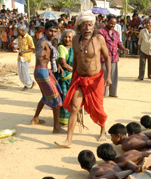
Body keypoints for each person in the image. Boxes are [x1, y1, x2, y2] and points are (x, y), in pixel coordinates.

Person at [54, 11, 112, 148]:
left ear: (93, 26)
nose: (87, 28)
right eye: (84, 25)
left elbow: (107, 58)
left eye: (90, 25)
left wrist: (108, 76)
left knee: (98, 108)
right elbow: (75, 61)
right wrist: (73, 78)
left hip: (95, 80)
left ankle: (103, 130)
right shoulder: (75, 40)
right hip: (79, 79)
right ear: (79, 27)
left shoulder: (99, 39)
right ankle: (68, 140)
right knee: (74, 107)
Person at [31, 21, 64, 134]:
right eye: (50, 31)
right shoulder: (43, 41)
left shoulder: (49, 42)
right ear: (45, 30)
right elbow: (38, 52)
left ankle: (36, 118)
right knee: (56, 99)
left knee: (46, 96)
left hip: (44, 71)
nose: (53, 33)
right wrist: (41, 55)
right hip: (42, 71)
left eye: (55, 31)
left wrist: (57, 64)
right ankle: (56, 128)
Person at [99, 14, 129, 97]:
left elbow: (119, 43)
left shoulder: (116, 33)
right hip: (104, 58)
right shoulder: (101, 32)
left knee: (113, 76)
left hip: (114, 57)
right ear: (107, 22)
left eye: (114, 24)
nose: (112, 25)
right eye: (111, 23)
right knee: (104, 75)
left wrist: (124, 49)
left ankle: (113, 93)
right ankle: (103, 93)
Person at [55, 29, 75, 126]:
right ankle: (63, 119)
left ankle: (73, 117)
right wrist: (75, 70)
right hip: (64, 77)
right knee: (64, 98)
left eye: (69, 37)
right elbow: (63, 63)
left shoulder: (74, 48)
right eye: (65, 37)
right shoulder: (61, 48)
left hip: (73, 76)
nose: (67, 39)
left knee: (74, 98)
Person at [16, 24, 35, 91]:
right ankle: (30, 82)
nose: (18, 32)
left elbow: (32, 48)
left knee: (25, 71)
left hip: (26, 57)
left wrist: (24, 52)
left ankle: (27, 84)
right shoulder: (19, 38)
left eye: (19, 31)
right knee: (20, 71)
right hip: (20, 56)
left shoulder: (29, 37)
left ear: (23, 31)